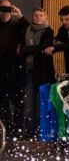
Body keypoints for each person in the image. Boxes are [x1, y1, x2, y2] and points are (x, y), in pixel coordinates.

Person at [18, 8, 55, 138]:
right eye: (36, 15)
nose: (38, 17)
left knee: (41, 102)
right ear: (32, 17)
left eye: (41, 15)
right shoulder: (27, 29)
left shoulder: (48, 31)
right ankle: (30, 131)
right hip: (29, 70)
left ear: (45, 17)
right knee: (29, 102)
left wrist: (24, 49)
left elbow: (42, 48)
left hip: (43, 72)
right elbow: (37, 49)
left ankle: (42, 131)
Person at [0, 0, 28, 134]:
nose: (5, 12)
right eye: (2, 9)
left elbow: (28, 29)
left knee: (18, 100)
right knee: (2, 101)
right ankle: (5, 128)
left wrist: (20, 15)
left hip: (16, 68)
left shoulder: (18, 24)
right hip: (1, 68)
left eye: (7, 9)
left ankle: (18, 129)